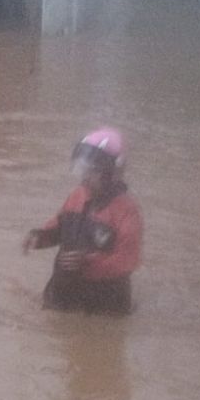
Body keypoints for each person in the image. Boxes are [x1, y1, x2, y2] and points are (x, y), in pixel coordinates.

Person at [23, 127, 142, 315]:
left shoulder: (127, 211)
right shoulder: (77, 196)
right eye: (82, 169)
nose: (84, 177)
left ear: (112, 174)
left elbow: (127, 261)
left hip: (104, 307)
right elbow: (59, 228)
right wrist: (40, 237)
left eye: (92, 171)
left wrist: (87, 262)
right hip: (63, 296)